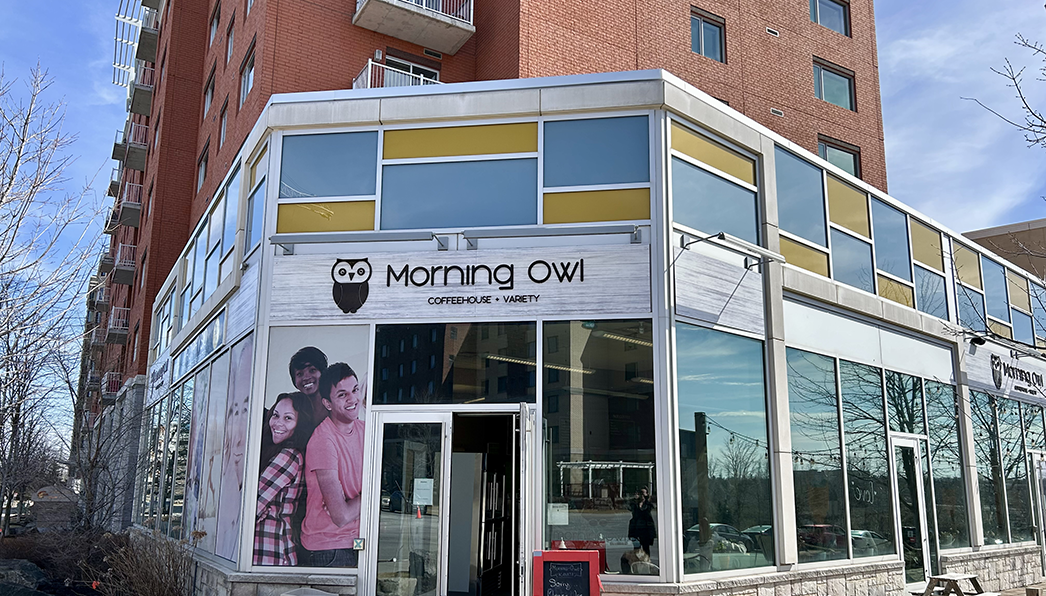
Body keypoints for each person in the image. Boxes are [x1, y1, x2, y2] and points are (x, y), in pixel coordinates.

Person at [300, 362, 366, 567]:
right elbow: (341, 516)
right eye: (342, 395)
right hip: (329, 548)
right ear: (327, 404)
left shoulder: (365, 429)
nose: (352, 399)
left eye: (355, 390)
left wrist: (357, 503)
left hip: (357, 540)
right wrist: (373, 494)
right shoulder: (323, 441)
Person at [254, 392, 312, 565]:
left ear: (299, 424)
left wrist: (264, 511)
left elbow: (252, 509)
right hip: (266, 552)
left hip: (271, 554)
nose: (278, 423)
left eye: (288, 418)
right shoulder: (275, 451)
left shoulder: (288, 456)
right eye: (275, 415)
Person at [289, 346, 328, 423]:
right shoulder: (290, 408)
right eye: (300, 374)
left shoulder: (337, 406)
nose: (306, 378)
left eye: (312, 370)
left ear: (323, 373)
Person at [628, 487, 657, 556]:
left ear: (647, 494)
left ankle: (646, 561)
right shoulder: (634, 504)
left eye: (644, 493)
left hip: (645, 529)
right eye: (640, 493)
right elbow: (629, 507)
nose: (642, 495)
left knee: (646, 548)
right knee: (636, 548)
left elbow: (650, 508)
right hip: (636, 528)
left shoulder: (648, 504)